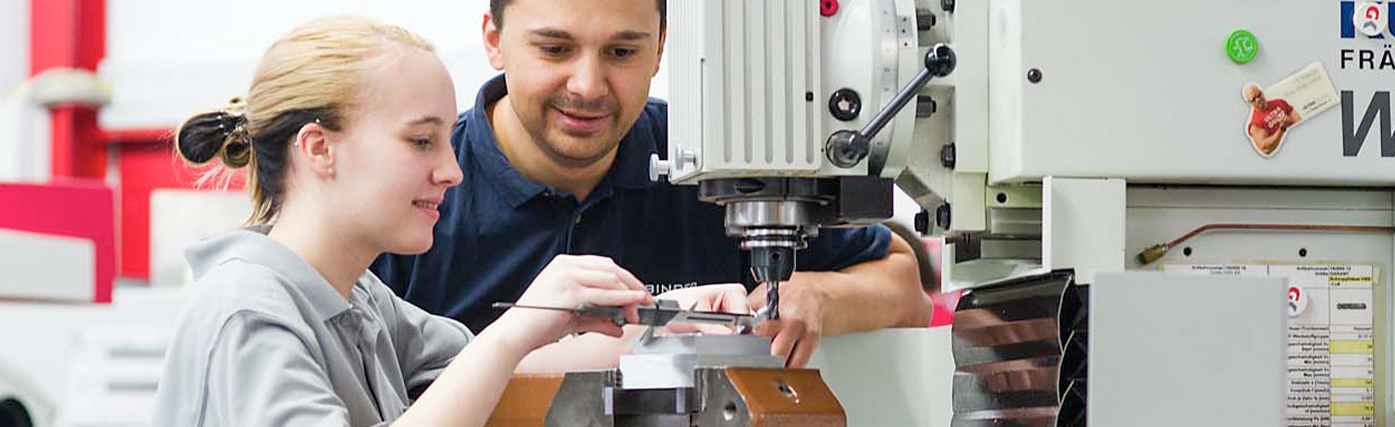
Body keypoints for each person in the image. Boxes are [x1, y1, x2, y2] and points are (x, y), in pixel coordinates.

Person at [152, 16, 745, 427]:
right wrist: (515, 330)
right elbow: (501, 349)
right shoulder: (249, 314)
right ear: (318, 148)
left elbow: (496, 364)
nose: (453, 170)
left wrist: (674, 321)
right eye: (421, 142)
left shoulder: (361, 301)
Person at [371, 0, 932, 369]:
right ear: (494, 39)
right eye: (555, 49)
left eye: (621, 52)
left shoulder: (717, 157)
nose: (588, 86)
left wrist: (817, 297)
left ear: (662, 47)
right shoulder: (420, 190)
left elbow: (905, 287)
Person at [1243, 84, 1298, 157]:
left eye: (1259, 95)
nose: (1258, 99)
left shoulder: (1279, 102)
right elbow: (1265, 148)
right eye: (1253, 99)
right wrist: (1281, 129)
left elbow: (1297, 120)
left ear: (1262, 92)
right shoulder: (1255, 124)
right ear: (1249, 103)